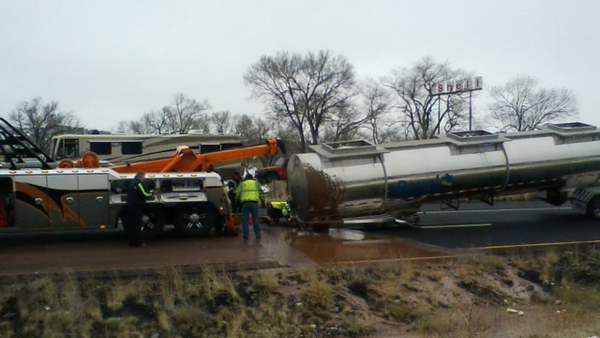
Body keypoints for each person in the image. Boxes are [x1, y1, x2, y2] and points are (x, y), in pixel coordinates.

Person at [124, 172, 153, 247]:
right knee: (138, 225)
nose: (144, 179)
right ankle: (138, 242)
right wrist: (152, 194)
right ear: (140, 177)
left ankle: (132, 242)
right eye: (143, 177)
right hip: (137, 206)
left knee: (132, 225)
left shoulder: (132, 183)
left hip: (131, 206)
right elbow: (144, 194)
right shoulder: (138, 184)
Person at [235, 173, 264, 240]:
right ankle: (257, 234)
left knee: (245, 220)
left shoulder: (242, 184)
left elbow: (237, 194)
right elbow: (261, 193)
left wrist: (236, 202)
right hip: (254, 203)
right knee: (256, 219)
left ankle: (246, 235)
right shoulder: (256, 183)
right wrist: (263, 201)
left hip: (245, 204)